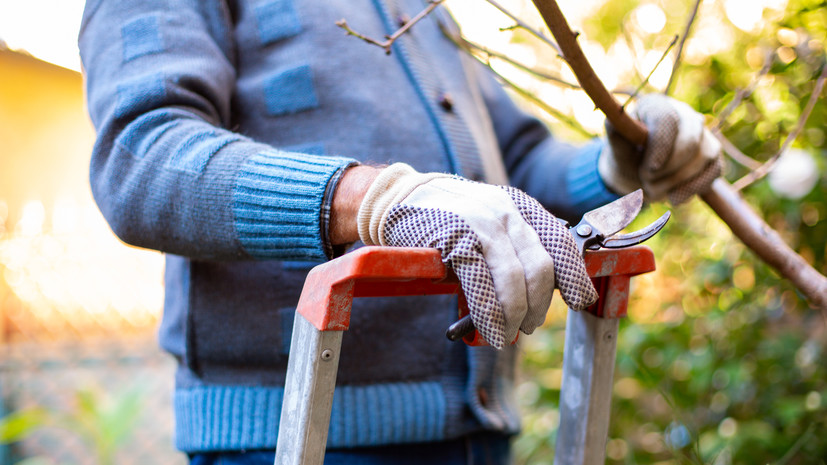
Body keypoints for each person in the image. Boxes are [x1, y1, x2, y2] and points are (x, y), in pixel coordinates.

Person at [78, 1, 721, 463]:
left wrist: (616, 163)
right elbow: (143, 159)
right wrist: (372, 197)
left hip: (476, 434)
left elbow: (511, 171)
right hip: (294, 437)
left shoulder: (423, 10)